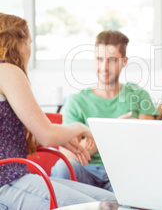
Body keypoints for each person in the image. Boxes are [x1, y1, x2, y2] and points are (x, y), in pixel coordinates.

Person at [0, 13, 115, 209]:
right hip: (7, 182)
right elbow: (47, 136)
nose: (29, 50)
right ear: (18, 42)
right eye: (29, 43)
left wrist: (62, 137)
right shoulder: (7, 71)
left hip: (15, 178)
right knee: (106, 207)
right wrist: (79, 128)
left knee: (115, 202)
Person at [51, 30, 158, 191]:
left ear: (124, 61)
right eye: (99, 59)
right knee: (62, 168)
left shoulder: (139, 96)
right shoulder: (77, 101)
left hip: (125, 173)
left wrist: (89, 139)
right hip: (85, 171)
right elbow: (69, 156)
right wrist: (112, 132)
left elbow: (146, 146)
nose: (104, 67)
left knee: (140, 181)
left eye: (112, 60)